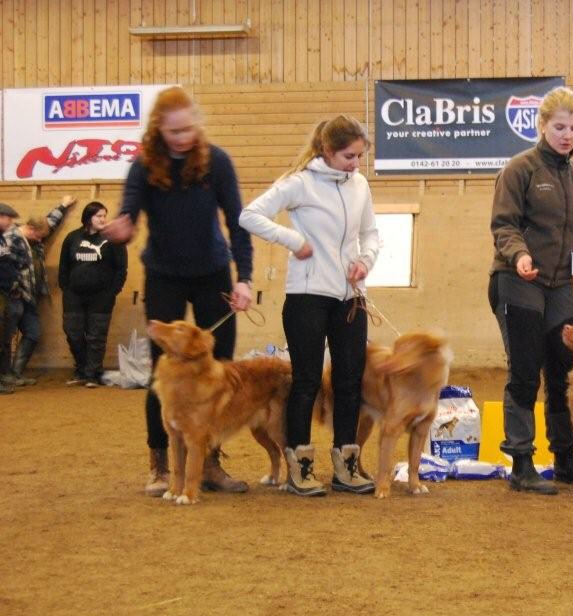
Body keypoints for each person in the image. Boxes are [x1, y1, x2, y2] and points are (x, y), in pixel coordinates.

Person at [102, 86, 254, 497]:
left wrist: (244, 278)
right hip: (164, 274)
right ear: (158, 129)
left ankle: (210, 463)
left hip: (213, 273)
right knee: (163, 372)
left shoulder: (217, 161)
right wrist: (122, 228)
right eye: (174, 132)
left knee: (219, 370)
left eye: (188, 129)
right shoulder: (143, 165)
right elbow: (129, 212)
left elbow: (237, 223)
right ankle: (161, 465)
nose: (183, 137)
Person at [239, 115, 379, 497]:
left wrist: (365, 260)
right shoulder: (299, 182)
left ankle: (346, 466)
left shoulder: (360, 185)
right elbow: (250, 215)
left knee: (350, 382)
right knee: (307, 381)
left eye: (360, 157)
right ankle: (299, 468)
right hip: (307, 296)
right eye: (349, 156)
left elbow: (371, 234)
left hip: (351, 297)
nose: (355, 164)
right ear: (327, 151)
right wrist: (293, 241)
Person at [488, 86, 573, 495]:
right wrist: (519, 255)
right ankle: (521, 462)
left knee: (562, 373)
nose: (567, 135)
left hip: (560, 287)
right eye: (559, 127)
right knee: (524, 371)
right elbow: (504, 225)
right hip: (516, 280)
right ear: (541, 125)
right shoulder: (519, 170)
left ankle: (564, 457)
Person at [0, 197, 75, 387]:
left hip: (28, 297)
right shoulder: (11, 239)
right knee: (5, 337)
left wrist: (63, 206)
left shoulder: (32, 238)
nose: (41, 240)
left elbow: (49, 222)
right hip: (13, 297)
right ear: (31, 229)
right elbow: (6, 266)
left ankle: (15, 373)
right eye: (39, 236)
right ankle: (5, 375)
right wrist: (12, 288)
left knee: (33, 332)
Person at [57, 202, 128, 387]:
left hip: (101, 297)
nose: (103, 219)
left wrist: (113, 291)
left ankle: (92, 374)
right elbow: (64, 265)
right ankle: (81, 370)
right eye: (99, 216)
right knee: (73, 332)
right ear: (88, 217)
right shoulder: (72, 238)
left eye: (104, 215)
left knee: (96, 336)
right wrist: (66, 287)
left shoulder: (112, 239)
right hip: (74, 295)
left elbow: (121, 269)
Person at [0, 202, 27, 395]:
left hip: (4, 292)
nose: (10, 222)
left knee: (3, 337)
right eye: (7, 218)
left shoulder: (3, 239)